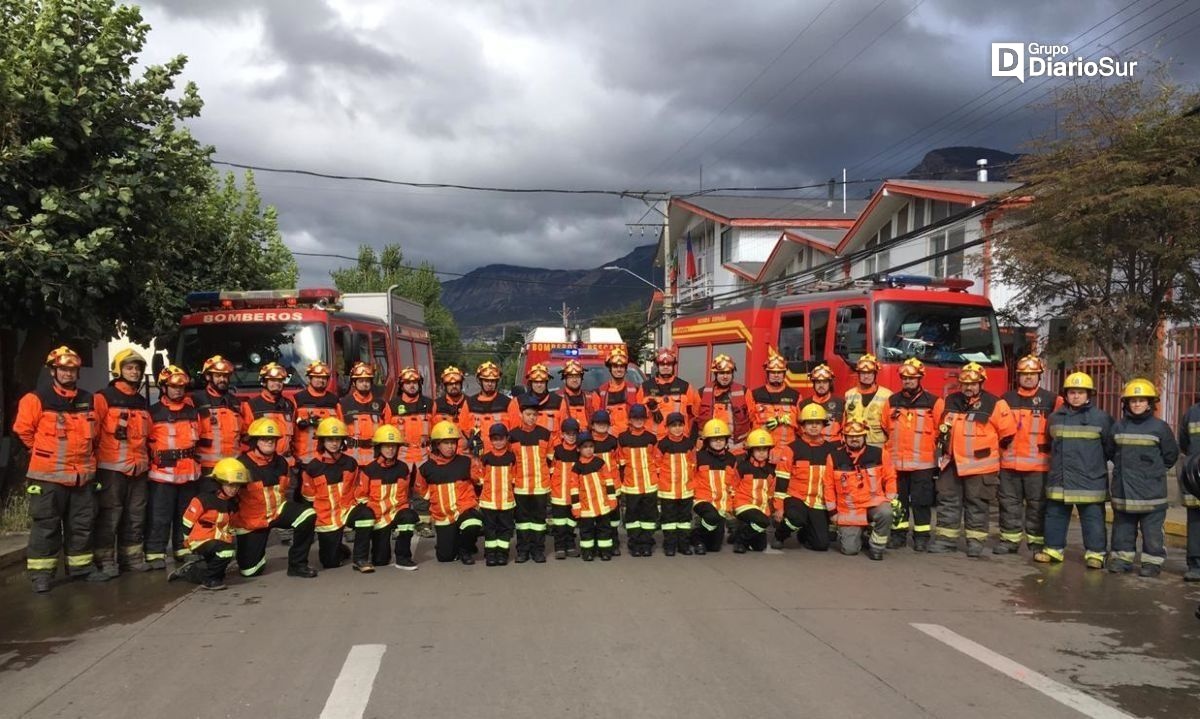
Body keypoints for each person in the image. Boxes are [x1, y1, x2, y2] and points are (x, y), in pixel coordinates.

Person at [16, 346, 109, 592]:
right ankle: (41, 575)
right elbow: (23, 432)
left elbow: (97, 434)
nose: (68, 374)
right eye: (63, 369)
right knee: (46, 525)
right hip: (48, 477)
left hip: (82, 476)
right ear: (52, 371)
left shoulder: (91, 400)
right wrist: (43, 453)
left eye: (72, 370)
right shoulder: (35, 399)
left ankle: (81, 568)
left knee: (82, 524)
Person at [928, 362, 1015, 557]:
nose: (969, 387)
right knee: (947, 501)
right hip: (951, 463)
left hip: (980, 466)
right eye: (965, 383)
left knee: (977, 504)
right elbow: (940, 429)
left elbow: (1007, 434)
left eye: (974, 383)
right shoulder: (950, 400)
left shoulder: (995, 403)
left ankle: (975, 542)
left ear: (981, 383)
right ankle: (945, 540)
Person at [1037, 372, 1114, 569]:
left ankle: (1096, 554)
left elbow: (1110, 448)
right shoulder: (1054, 418)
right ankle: (1053, 549)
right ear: (1066, 394)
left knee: (1093, 519)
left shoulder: (1101, 418)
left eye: (1081, 392)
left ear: (1089, 395)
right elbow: (1049, 443)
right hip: (1060, 479)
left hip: (1090, 479)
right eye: (1072, 392)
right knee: (1055, 515)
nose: (1076, 396)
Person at [231, 418, 319, 579]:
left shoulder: (281, 462)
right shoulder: (240, 465)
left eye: (272, 439)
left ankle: (298, 565)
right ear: (254, 441)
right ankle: (253, 556)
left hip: (277, 511)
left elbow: (286, 490)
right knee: (250, 571)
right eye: (264, 439)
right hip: (253, 520)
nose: (269, 442)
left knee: (307, 514)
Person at [1108, 379, 1178, 577]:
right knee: (1123, 528)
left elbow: (1170, 455)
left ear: (1150, 403)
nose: (1137, 404)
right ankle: (1122, 559)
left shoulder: (1160, 428)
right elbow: (1111, 451)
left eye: (1141, 400)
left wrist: (1152, 471)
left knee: (1152, 531)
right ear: (1127, 403)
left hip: (1152, 492)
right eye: (1133, 400)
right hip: (1123, 490)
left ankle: (1152, 563)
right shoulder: (1119, 427)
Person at [93, 348, 152, 576]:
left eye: (137, 368)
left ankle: (132, 558)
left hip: (138, 468)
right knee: (110, 514)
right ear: (118, 370)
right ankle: (105, 561)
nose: (135, 372)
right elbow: (93, 432)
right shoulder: (103, 397)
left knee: (135, 514)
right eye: (129, 367)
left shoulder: (141, 401)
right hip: (111, 469)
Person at [997, 355, 1061, 555]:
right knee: (1008, 504)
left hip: (1039, 466)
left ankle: (1036, 543)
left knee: (1038, 506)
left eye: (1032, 374)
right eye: (1024, 374)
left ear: (1039, 376)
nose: (1028, 378)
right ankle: (1009, 540)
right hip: (1009, 464)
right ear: (1018, 377)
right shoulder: (1006, 399)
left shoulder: (1052, 400)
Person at [879, 358, 943, 551]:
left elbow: (942, 429)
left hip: (922, 464)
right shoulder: (891, 402)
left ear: (920, 378)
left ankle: (921, 537)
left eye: (912, 378)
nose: (908, 381)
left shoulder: (934, 402)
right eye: (905, 378)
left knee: (921, 502)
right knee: (898, 502)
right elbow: (884, 427)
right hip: (896, 463)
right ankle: (898, 535)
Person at [145, 365, 202, 570]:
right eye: (173, 386)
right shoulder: (153, 413)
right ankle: (155, 553)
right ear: (163, 387)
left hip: (188, 474)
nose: (178, 390)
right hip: (163, 475)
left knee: (184, 515)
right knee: (159, 516)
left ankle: (183, 549)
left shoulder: (193, 412)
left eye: (181, 386)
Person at [301, 418, 375, 571]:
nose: (334, 443)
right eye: (330, 440)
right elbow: (309, 498)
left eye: (337, 439)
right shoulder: (312, 467)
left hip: (347, 509)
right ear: (322, 442)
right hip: (326, 516)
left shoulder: (350, 463)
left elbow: (356, 487)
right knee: (330, 563)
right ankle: (339, 549)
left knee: (366, 515)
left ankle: (360, 559)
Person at [170, 458, 248, 591]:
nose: (234, 489)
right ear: (219, 483)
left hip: (217, 540)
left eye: (237, 485)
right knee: (226, 551)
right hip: (200, 540)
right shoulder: (203, 499)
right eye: (230, 485)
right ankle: (209, 581)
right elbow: (187, 521)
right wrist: (187, 542)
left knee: (220, 571)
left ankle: (190, 572)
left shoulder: (231, 502)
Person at [824, 421, 897, 560]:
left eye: (858, 436)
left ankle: (876, 547)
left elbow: (890, 477)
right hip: (849, 509)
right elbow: (828, 485)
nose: (854, 439)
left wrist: (890, 500)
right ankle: (863, 533)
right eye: (850, 436)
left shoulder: (880, 453)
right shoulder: (834, 457)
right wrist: (832, 512)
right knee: (850, 550)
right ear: (844, 438)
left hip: (874, 503)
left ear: (865, 436)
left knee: (886, 512)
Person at [416, 421, 484, 564]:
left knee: (473, 523)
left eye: (453, 443)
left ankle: (466, 550)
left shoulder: (466, 462)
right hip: (443, 516)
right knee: (445, 557)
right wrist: (433, 501)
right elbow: (420, 488)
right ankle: (454, 543)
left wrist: (478, 462)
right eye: (446, 443)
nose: (450, 447)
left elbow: (479, 480)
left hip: (463, 509)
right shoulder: (426, 468)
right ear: (436, 445)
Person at [771, 403, 834, 552]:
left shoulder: (831, 450)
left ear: (823, 425)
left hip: (818, 501)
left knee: (821, 545)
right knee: (796, 518)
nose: (813, 426)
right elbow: (781, 480)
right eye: (809, 423)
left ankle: (805, 532)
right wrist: (779, 508)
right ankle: (780, 535)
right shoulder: (791, 448)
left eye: (817, 423)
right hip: (796, 498)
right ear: (803, 426)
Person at [358, 424, 420, 571]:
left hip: (398, 513)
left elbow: (407, 494)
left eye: (393, 446)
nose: (390, 450)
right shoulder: (370, 470)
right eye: (386, 446)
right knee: (380, 560)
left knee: (409, 516)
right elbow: (361, 496)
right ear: (379, 448)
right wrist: (372, 515)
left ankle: (403, 557)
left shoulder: (403, 468)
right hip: (379, 516)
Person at [509, 395, 552, 563]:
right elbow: (510, 461)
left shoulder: (545, 434)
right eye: (528, 414)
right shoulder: (513, 435)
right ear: (521, 414)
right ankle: (522, 550)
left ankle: (538, 550)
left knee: (539, 521)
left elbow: (550, 459)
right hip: (520, 486)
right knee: (522, 521)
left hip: (540, 486)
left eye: (534, 414)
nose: (531, 417)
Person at [192, 355, 244, 487]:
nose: (222, 379)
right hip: (208, 469)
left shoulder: (236, 403)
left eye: (225, 376)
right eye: (218, 376)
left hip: (233, 466)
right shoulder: (195, 401)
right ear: (209, 377)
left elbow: (244, 436)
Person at [569, 431, 619, 561]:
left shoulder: (600, 463)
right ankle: (587, 552)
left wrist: (612, 499)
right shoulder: (577, 467)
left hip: (603, 504)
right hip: (586, 507)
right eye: (585, 447)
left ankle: (605, 551)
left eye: (591, 446)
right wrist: (576, 507)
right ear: (578, 449)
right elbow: (574, 489)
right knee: (586, 531)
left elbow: (609, 482)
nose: (588, 449)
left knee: (604, 529)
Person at [690, 419, 738, 554]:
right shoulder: (698, 457)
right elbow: (690, 476)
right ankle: (697, 538)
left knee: (714, 547)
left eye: (721, 439)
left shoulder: (731, 459)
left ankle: (697, 534)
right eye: (714, 439)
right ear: (707, 441)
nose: (718, 442)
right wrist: (692, 495)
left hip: (721, 505)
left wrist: (731, 506)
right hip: (702, 500)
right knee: (711, 517)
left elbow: (733, 483)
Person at [473, 423, 518, 567]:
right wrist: (475, 458)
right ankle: (491, 554)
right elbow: (478, 477)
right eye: (495, 439)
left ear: (507, 439)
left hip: (506, 501)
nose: (498, 442)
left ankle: (502, 554)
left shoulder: (512, 457)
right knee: (490, 529)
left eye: (501, 438)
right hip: (489, 501)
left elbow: (515, 477)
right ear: (490, 440)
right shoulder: (485, 458)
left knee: (505, 529)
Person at [617, 404, 659, 556]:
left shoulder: (651, 438)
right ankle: (634, 543)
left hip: (649, 484)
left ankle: (647, 542)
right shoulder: (623, 438)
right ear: (630, 419)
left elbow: (657, 459)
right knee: (632, 515)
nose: (639, 421)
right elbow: (620, 462)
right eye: (636, 418)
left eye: (642, 418)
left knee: (648, 515)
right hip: (632, 485)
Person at [655, 412, 696, 556]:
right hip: (668, 489)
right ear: (667, 427)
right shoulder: (662, 444)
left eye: (680, 425)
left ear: (684, 426)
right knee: (669, 519)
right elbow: (657, 465)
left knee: (684, 519)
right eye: (673, 426)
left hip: (686, 489)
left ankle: (683, 545)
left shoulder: (689, 443)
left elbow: (693, 464)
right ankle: (670, 545)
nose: (677, 428)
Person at [730, 429, 777, 554]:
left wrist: (774, 509)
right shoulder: (742, 467)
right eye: (758, 449)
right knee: (763, 522)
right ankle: (740, 541)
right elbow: (732, 486)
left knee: (759, 547)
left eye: (765, 450)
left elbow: (771, 492)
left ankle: (738, 533)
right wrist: (731, 506)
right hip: (743, 504)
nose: (762, 453)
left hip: (760, 509)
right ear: (751, 451)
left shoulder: (771, 470)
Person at [636, 348, 700, 438]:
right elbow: (638, 416)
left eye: (669, 364)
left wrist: (691, 439)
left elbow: (695, 416)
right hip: (654, 441)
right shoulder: (645, 387)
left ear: (673, 366)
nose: (665, 367)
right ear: (657, 366)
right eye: (662, 364)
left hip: (679, 439)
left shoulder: (685, 387)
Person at [240, 363, 296, 466]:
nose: (277, 383)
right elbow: (245, 439)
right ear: (264, 382)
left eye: (280, 380)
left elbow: (295, 437)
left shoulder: (289, 405)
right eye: (272, 380)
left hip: (286, 464)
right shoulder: (252, 405)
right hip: (261, 464)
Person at [338, 361, 392, 468]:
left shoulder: (382, 404)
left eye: (367, 381)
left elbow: (388, 432)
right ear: (354, 383)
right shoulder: (343, 404)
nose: (365, 384)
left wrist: (384, 458)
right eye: (361, 381)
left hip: (376, 460)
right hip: (351, 460)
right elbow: (338, 433)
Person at [747, 347, 801, 447]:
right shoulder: (754, 395)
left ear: (784, 374)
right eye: (772, 372)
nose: (776, 375)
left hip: (787, 450)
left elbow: (801, 428)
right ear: (767, 374)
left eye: (779, 372)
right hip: (761, 449)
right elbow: (747, 424)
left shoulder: (795, 396)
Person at [292, 361, 340, 472]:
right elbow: (291, 428)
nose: (321, 380)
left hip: (328, 457)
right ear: (310, 378)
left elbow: (341, 426)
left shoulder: (334, 401)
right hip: (303, 458)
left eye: (324, 378)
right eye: (317, 377)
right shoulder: (298, 399)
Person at [696, 354, 751, 450]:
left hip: (737, 447)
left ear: (732, 374)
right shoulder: (702, 393)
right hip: (710, 446)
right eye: (721, 373)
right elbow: (693, 419)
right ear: (715, 374)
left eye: (728, 373)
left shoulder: (744, 392)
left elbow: (753, 418)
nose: (725, 376)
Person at [588, 409, 622, 555]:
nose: (601, 425)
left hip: (613, 484)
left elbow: (620, 461)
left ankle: (613, 541)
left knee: (613, 516)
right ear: (593, 425)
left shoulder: (614, 441)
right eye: (598, 423)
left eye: (604, 423)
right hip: (595, 485)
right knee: (597, 515)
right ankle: (597, 542)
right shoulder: (588, 442)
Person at [549, 418, 582, 559]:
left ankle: (570, 544)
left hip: (574, 494)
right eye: (568, 434)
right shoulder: (557, 451)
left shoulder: (580, 451)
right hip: (558, 493)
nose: (571, 436)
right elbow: (551, 470)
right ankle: (560, 546)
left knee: (571, 522)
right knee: (559, 523)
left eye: (574, 434)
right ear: (562, 434)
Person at [390, 367, 436, 469]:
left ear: (419, 384)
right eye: (408, 383)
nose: (412, 385)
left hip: (425, 457)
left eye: (415, 382)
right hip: (401, 458)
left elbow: (437, 431)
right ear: (401, 386)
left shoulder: (430, 404)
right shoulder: (391, 406)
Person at [466, 361, 515, 455]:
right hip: (477, 458)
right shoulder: (469, 403)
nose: (490, 384)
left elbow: (515, 431)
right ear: (480, 381)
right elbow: (463, 431)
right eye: (486, 380)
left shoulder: (508, 403)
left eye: (493, 381)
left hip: (501, 458)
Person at [843, 354, 892, 448]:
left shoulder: (887, 395)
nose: (866, 376)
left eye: (870, 373)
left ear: (875, 374)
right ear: (858, 374)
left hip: (877, 446)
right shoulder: (849, 395)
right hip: (854, 445)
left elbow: (891, 427)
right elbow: (844, 422)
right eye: (863, 373)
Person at [592, 347, 638, 437]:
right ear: (610, 368)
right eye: (615, 366)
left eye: (622, 366)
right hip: (608, 439)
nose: (619, 369)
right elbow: (594, 420)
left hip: (630, 437)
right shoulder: (599, 392)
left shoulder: (636, 390)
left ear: (625, 369)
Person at [510, 363, 566, 436]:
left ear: (546, 383)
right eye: (536, 382)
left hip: (551, 446)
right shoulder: (518, 402)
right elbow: (514, 431)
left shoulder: (559, 402)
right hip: (527, 445)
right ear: (531, 383)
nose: (539, 385)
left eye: (542, 382)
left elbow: (563, 431)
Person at [799, 364, 843, 442]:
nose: (821, 385)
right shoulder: (803, 404)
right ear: (813, 384)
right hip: (811, 447)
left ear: (830, 383)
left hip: (833, 447)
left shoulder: (841, 403)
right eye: (818, 382)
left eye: (825, 382)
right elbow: (799, 431)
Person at [557, 360, 591, 429]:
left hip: (587, 438)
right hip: (567, 438)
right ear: (564, 379)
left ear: (581, 378)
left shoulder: (590, 397)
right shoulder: (557, 398)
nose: (574, 380)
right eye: (571, 376)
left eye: (577, 376)